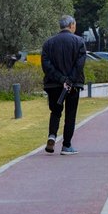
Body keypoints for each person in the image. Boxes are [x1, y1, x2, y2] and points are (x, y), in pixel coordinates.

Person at [41, 15, 87, 155]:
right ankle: (66, 145)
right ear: (72, 25)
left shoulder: (48, 43)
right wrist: (69, 80)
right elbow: (79, 64)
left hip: (53, 84)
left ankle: (52, 135)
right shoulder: (79, 41)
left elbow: (46, 65)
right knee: (70, 114)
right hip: (73, 85)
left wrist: (60, 79)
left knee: (55, 111)